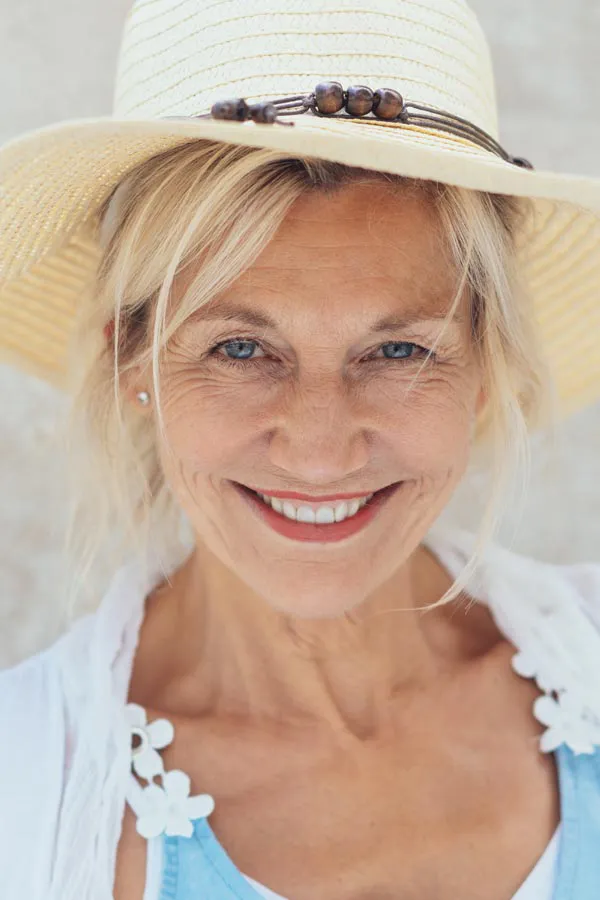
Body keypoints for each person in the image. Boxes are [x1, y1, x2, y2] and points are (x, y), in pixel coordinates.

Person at [0, 1, 599, 899]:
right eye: (240, 350)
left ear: (486, 371)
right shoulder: (21, 790)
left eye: (399, 350)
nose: (321, 452)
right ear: (133, 361)